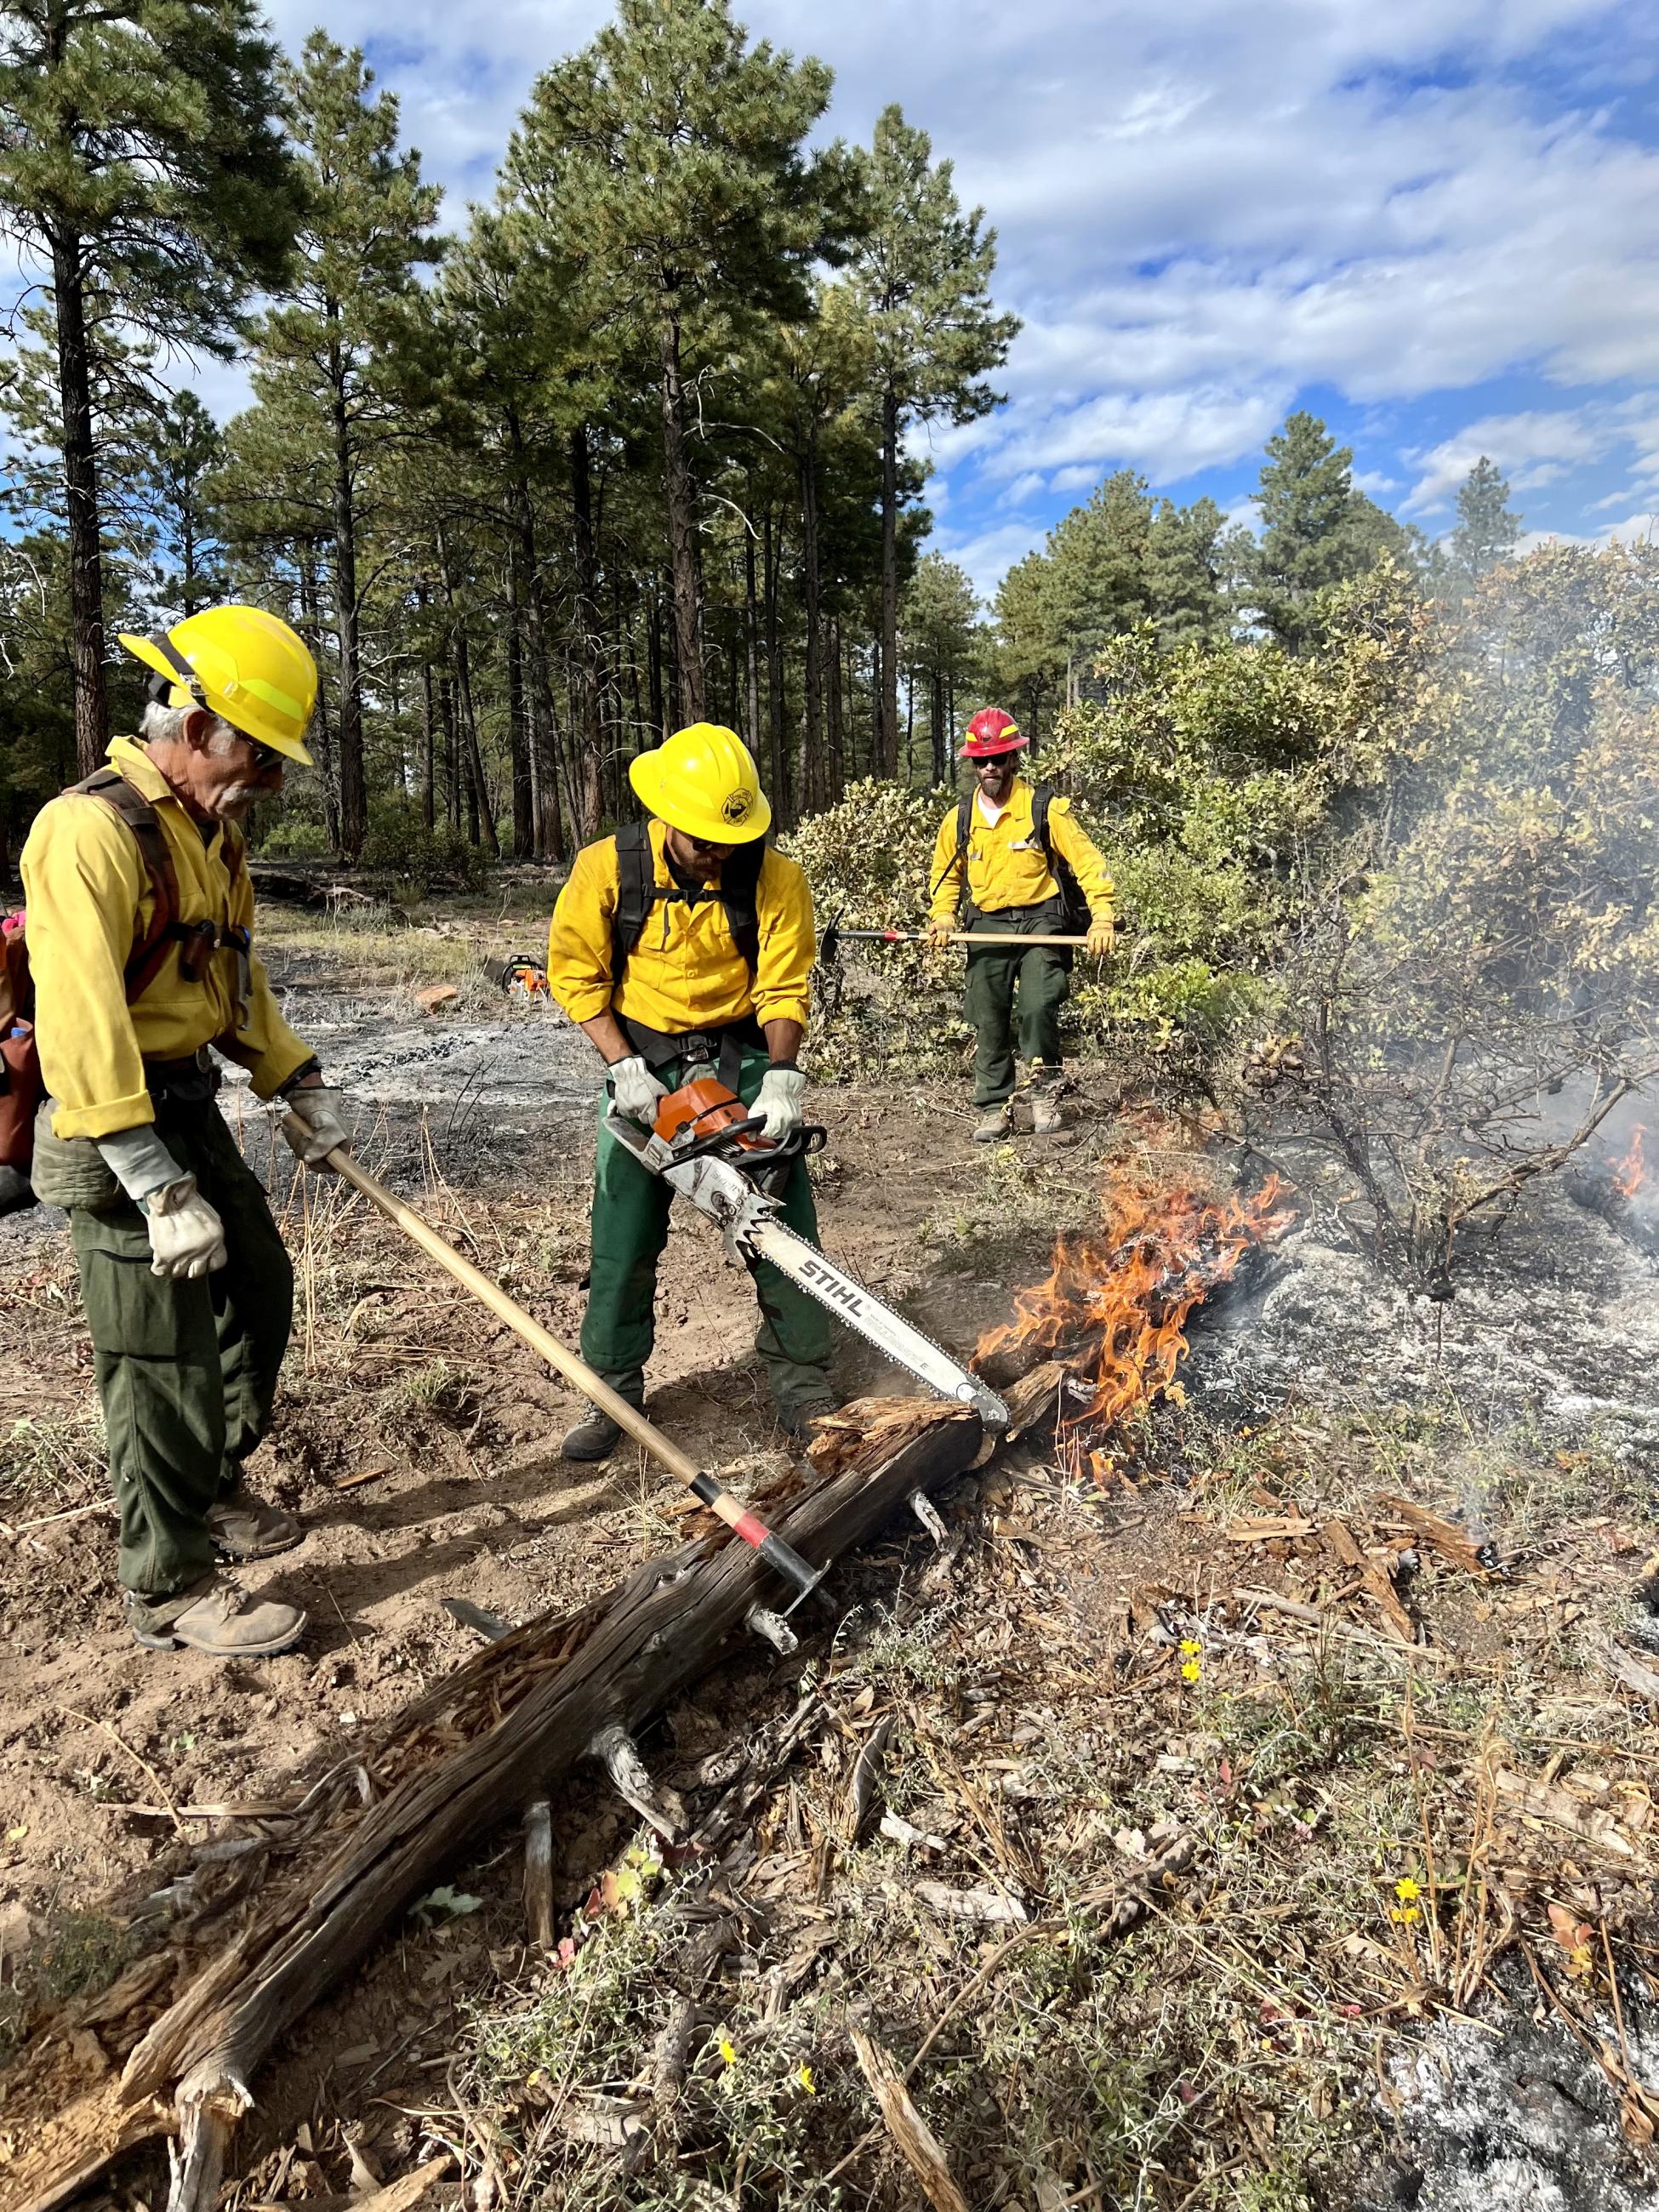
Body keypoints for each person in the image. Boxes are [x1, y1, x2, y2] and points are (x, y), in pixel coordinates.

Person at [20, 606, 353, 1658]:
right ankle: (167, 1583)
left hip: (185, 1096)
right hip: (105, 1118)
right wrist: (154, 1184)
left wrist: (293, 1077)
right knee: (158, 1355)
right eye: (258, 750)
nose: (270, 778)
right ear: (199, 723)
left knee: (259, 1285)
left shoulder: (209, 834)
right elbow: (79, 1015)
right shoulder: (90, 831)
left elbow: (232, 976)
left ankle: (209, 1485)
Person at [545, 721, 836, 1458]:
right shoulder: (607, 868)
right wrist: (621, 1064)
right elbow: (576, 975)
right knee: (622, 1234)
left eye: (729, 843)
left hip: (738, 1058)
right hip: (641, 1062)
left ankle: (802, 1380)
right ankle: (611, 1388)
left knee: (781, 1225)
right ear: (668, 819)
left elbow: (784, 983)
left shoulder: (775, 878)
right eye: (705, 842)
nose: (718, 857)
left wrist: (783, 1074)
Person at [926, 707, 1116, 1143]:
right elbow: (946, 875)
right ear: (972, 764)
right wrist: (942, 916)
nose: (990, 767)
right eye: (981, 760)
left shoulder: (1045, 809)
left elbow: (1088, 863)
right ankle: (995, 1108)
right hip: (986, 923)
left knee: (1037, 1006)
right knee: (988, 1015)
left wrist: (1102, 916)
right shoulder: (958, 819)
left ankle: (1045, 1094)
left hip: (1041, 920)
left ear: (1014, 759)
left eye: (998, 758)